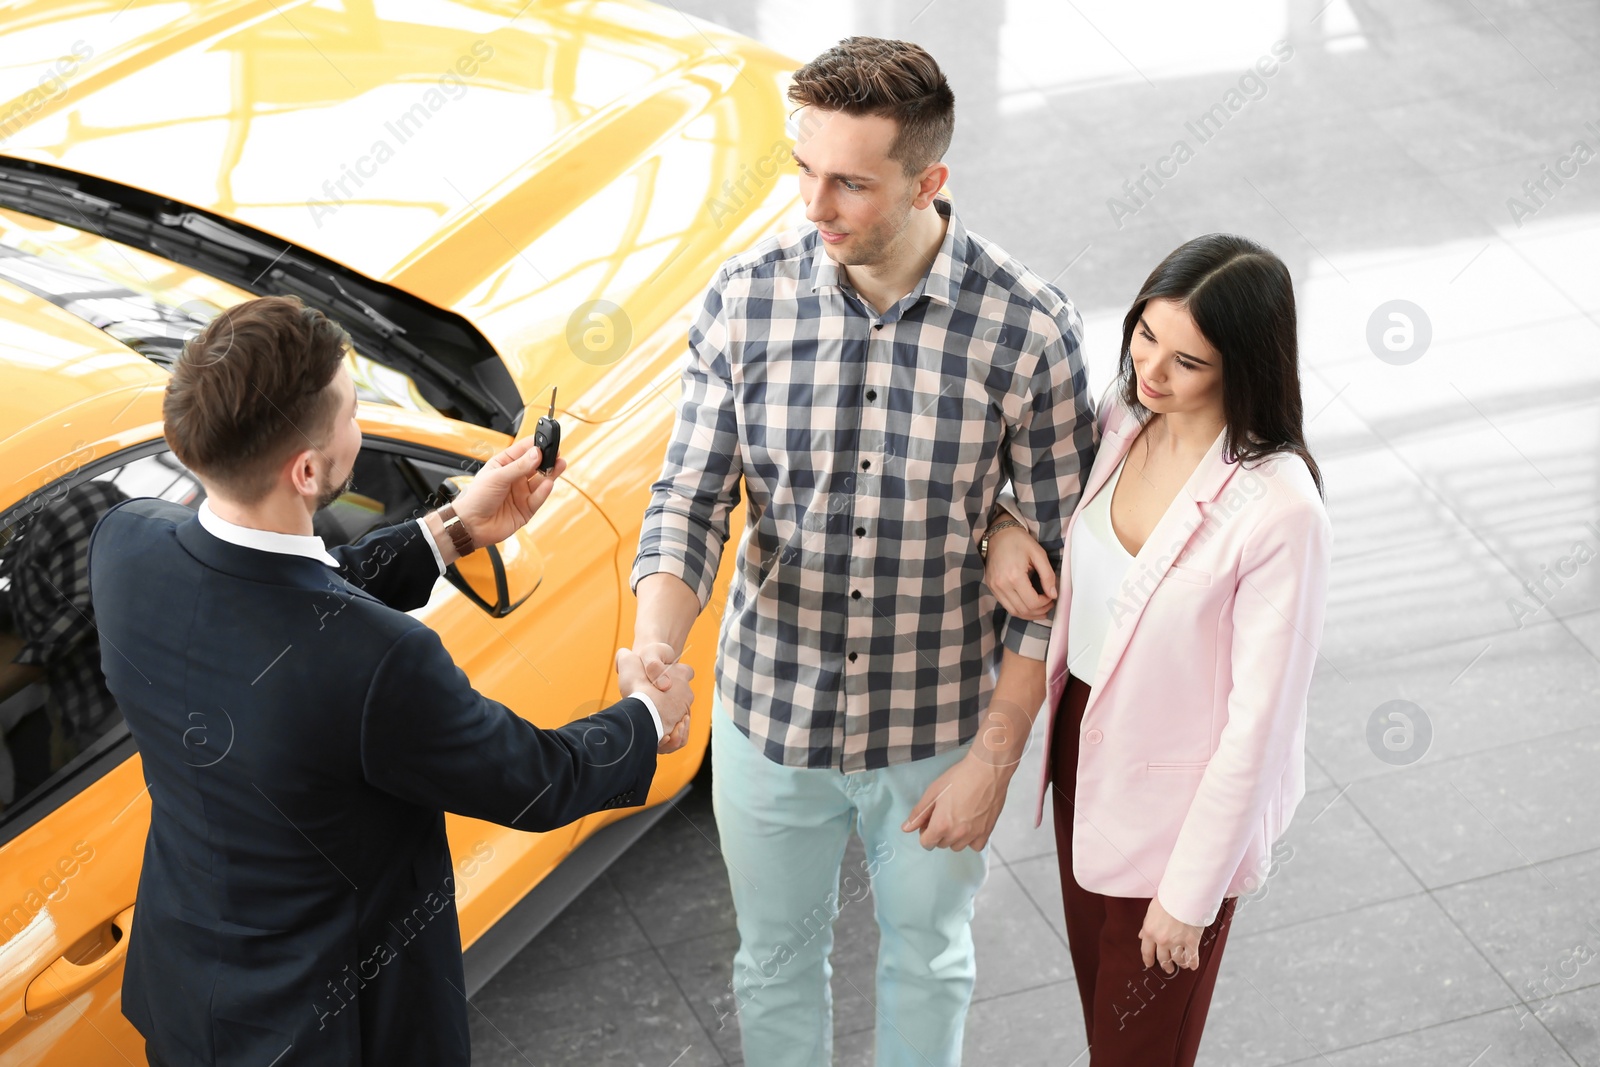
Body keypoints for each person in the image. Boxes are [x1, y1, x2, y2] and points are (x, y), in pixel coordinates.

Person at [627, 37, 1097, 1067]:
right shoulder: (744, 301)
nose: (814, 203)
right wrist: (657, 643)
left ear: (930, 180)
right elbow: (690, 498)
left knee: (927, 956)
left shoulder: (1029, 334)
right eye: (804, 168)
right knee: (771, 962)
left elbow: (1059, 576)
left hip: (935, 726)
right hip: (769, 716)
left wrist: (995, 755)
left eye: (849, 181)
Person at [87, 294, 695, 1067]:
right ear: (307, 470)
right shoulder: (381, 662)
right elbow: (539, 781)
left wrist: (453, 528)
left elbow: (277, 600)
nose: (359, 422)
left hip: (189, 1008)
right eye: (349, 408)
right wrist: (648, 713)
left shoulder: (127, 546)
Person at [982, 234, 1332, 1066]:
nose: (1151, 368)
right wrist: (1001, 527)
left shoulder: (1280, 510)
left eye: (1187, 360)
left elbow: (1260, 726)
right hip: (1083, 748)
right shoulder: (1124, 423)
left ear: (1243, 367)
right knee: (1105, 1020)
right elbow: (1036, 510)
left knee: (1138, 1051)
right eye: (1145, 333)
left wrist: (1190, 892)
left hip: (1185, 813)